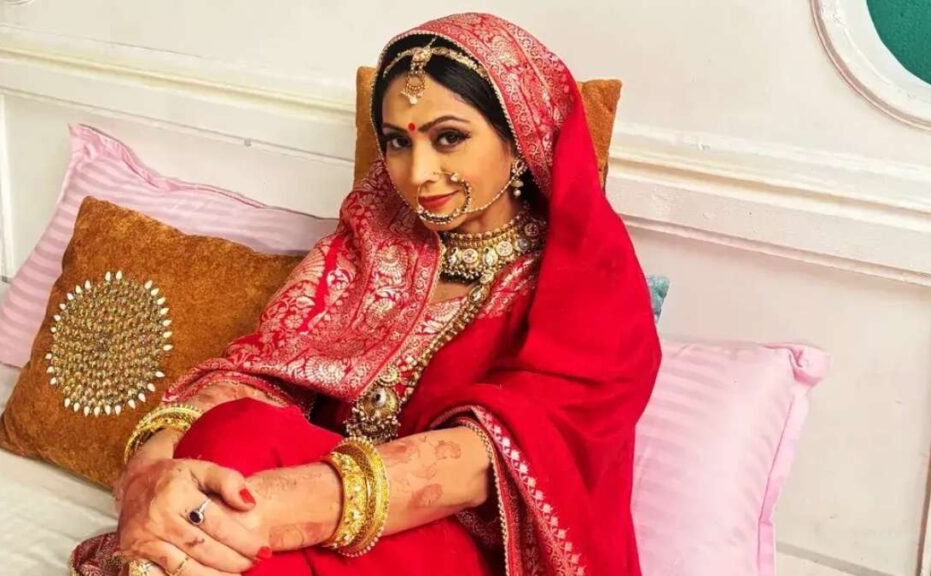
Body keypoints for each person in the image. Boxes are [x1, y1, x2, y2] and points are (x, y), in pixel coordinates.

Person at [71, 12, 661, 576]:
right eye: (398, 143)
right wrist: (149, 476)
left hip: (457, 544)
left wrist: (268, 510)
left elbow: (491, 460)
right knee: (234, 429)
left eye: (449, 138)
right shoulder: (372, 242)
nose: (418, 173)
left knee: (228, 540)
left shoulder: (588, 279)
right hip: (303, 509)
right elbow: (261, 373)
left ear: (520, 137)